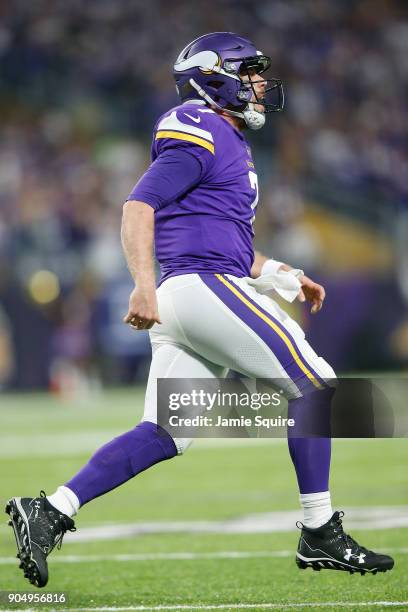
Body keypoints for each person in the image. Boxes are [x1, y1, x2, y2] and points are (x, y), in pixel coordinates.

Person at [6, 32, 393, 588]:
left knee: (166, 431)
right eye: (249, 73)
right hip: (199, 288)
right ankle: (319, 530)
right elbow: (138, 205)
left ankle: (51, 511)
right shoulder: (201, 125)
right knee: (317, 386)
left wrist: (284, 274)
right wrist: (143, 285)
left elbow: (227, 240)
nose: (260, 84)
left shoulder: (228, 138)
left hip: (199, 291)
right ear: (214, 77)